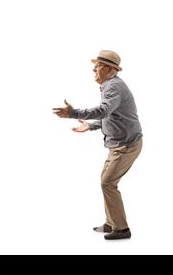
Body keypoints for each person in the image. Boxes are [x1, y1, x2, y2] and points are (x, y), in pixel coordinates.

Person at [53, 50, 143, 240]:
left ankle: (121, 229)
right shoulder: (108, 85)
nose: (94, 68)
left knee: (107, 183)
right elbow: (113, 115)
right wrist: (92, 125)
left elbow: (103, 110)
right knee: (106, 181)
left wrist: (73, 113)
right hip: (118, 144)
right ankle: (112, 223)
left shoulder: (113, 87)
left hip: (126, 145)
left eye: (99, 65)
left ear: (110, 69)